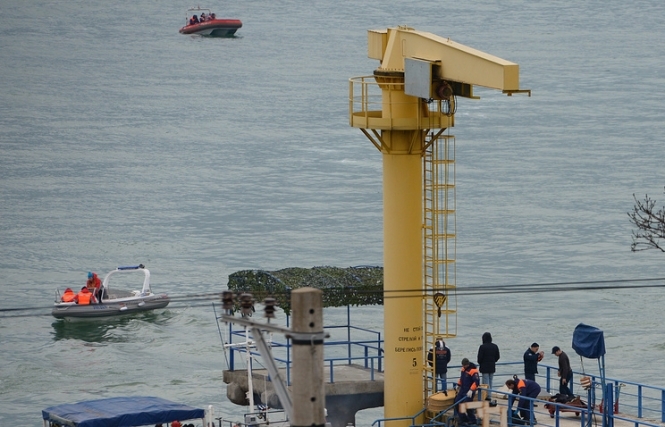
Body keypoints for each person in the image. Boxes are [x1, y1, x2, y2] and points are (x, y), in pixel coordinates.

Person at [454, 358, 480, 426]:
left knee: (467, 405)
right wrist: (458, 384)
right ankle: (464, 419)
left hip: (469, 391)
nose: (463, 366)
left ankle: (473, 420)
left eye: (464, 365)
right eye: (463, 365)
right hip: (462, 389)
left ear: (467, 364)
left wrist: (471, 390)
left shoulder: (473, 371)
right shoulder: (463, 369)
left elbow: (476, 382)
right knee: (457, 403)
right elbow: (461, 378)